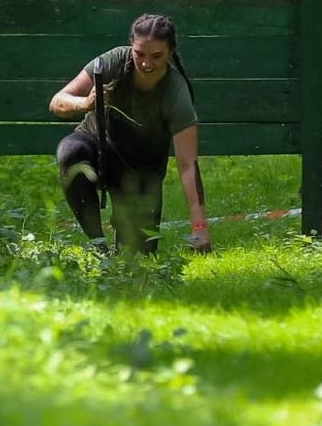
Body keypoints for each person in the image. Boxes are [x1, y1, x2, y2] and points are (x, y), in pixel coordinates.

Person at [48, 13, 211, 254]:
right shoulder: (113, 62)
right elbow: (57, 102)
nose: (146, 64)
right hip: (98, 148)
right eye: (139, 54)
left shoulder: (176, 92)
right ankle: (98, 247)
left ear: (171, 51)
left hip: (140, 172)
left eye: (156, 56)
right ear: (131, 46)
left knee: (136, 259)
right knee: (70, 151)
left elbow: (187, 165)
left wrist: (199, 228)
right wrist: (88, 103)